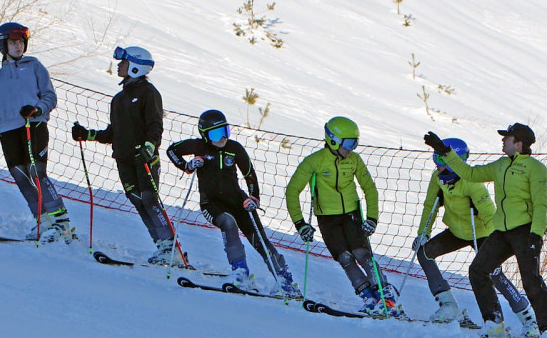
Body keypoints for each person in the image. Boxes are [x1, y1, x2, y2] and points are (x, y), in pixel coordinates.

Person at [423, 123, 547, 338]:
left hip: (525, 231)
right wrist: (445, 152)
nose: (503, 141)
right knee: (478, 270)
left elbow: (540, 204)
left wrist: (536, 234)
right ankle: (494, 323)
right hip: (501, 230)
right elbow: (470, 173)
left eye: (507, 138)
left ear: (519, 143)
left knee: (531, 281)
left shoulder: (535, 168)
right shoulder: (500, 164)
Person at [167, 109, 300, 295]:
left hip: (238, 200)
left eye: (225, 132)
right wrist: (187, 166)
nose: (222, 138)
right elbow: (171, 150)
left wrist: (253, 198)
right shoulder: (199, 147)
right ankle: (241, 273)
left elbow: (249, 174)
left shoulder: (234, 148)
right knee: (228, 223)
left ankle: (286, 282)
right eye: (216, 134)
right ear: (205, 135)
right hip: (211, 203)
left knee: (260, 240)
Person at [72, 46, 182, 265]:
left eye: (123, 62)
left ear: (135, 67)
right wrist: (87, 134)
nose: (118, 65)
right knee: (137, 200)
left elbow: (155, 125)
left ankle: (172, 248)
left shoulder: (149, 93)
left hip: (144, 158)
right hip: (123, 160)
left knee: (150, 200)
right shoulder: (119, 99)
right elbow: (113, 133)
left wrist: (149, 148)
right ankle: (161, 246)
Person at [413, 138, 537, 332]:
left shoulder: (472, 184)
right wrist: (423, 233)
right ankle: (448, 305)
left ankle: (527, 318)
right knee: (424, 253)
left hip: (481, 232)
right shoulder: (437, 179)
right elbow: (430, 206)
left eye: (440, 158)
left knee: (492, 272)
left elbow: (490, 214)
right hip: (456, 231)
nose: (436, 164)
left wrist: (501, 242)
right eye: (435, 158)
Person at [286, 116, 398, 315]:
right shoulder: (315, 161)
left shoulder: (354, 160)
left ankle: (386, 296)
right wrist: (300, 224)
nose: (352, 148)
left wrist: (372, 218)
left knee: (362, 254)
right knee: (345, 258)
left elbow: (370, 189)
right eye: (348, 143)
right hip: (327, 218)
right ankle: (368, 298)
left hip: (351, 214)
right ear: (332, 140)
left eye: (355, 143)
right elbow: (292, 191)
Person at [0, 21, 72, 243]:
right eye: (13, 42)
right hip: (8, 131)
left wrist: (37, 109)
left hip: (33, 125)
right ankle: (43, 220)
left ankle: (61, 222)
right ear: (3, 45)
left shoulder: (34, 66)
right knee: (20, 176)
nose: (18, 47)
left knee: (36, 172)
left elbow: (50, 96)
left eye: (21, 42)